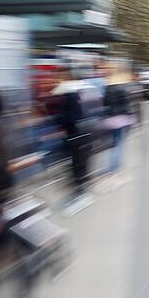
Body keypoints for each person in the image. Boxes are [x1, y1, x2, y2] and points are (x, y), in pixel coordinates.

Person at [53, 71, 102, 214]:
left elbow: (69, 118)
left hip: (77, 134)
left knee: (78, 160)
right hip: (88, 131)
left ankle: (80, 187)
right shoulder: (85, 93)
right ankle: (83, 183)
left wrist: (60, 121)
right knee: (84, 159)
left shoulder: (69, 97)